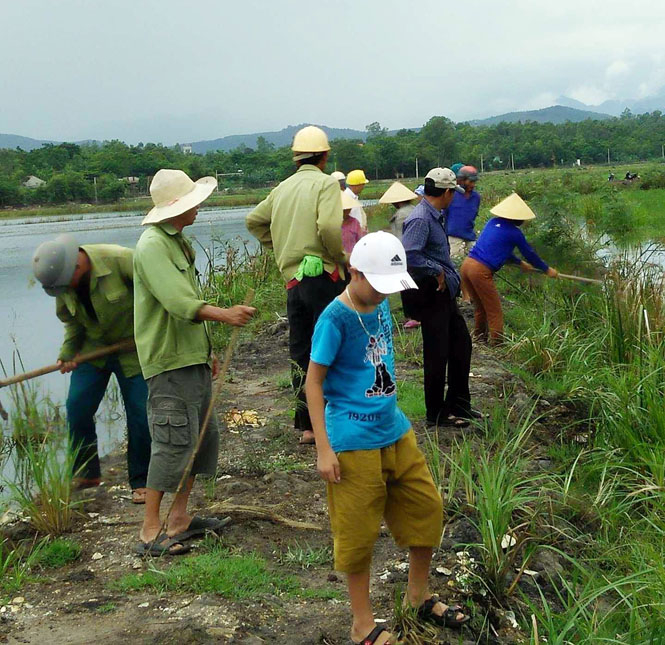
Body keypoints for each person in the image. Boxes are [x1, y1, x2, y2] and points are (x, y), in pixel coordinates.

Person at [306, 231, 470, 644]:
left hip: (394, 428)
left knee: (426, 508)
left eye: (389, 287)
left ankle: (418, 594)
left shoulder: (379, 306)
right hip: (352, 439)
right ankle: (362, 624)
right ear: (354, 272)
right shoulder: (334, 319)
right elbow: (313, 384)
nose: (384, 295)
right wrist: (324, 449)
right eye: (377, 285)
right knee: (358, 533)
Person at [134, 169, 256, 555]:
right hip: (168, 362)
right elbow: (178, 302)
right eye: (193, 202)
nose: (199, 208)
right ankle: (150, 530)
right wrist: (226, 314)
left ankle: (180, 518)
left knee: (199, 439)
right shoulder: (152, 245)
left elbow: (187, 297)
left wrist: (208, 352)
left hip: (191, 358)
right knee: (171, 442)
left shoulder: (177, 242)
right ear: (176, 208)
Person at [246, 126, 346, 445]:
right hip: (323, 275)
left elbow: (253, 221)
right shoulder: (326, 184)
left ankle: (306, 425)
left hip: (293, 279)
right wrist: (339, 256)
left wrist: (278, 247)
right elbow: (330, 226)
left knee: (301, 349)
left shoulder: (282, 189)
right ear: (325, 156)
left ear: (296, 158)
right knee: (330, 346)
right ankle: (329, 421)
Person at [32, 235, 152, 501]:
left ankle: (142, 480)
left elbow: (156, 295)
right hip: (94, 351)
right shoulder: (63, 283)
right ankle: (87, 474)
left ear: (77, 266)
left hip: (134, 349)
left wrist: (152, 334)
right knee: (77, 408)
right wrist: (67, 354)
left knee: (140, 414)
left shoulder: (121, 260)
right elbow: (73, 323)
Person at [401, 168, 480, 428]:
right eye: (452, 193)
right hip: (431, 294)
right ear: (446, 192)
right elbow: (409, 254)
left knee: (461, 345)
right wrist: (435, 271)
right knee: (437, 354)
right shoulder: (421, 218)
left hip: (444, 294)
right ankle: (436, 413)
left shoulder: (436, 215)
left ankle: (459, 404)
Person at [461, 192, 558, 344]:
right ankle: (497, 344)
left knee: (480, 307)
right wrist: (547, 269)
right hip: (480, 271)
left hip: (467, 266)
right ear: (517, 218)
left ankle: (479, 338)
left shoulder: (492, 223)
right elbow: (530, 253)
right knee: (495, 311)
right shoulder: (514, 233)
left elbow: (500, 251)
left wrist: (519, 263)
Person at [379, 181, 420, 329]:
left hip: (405, 254)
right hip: (415, 253)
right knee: (415, 284)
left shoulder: (402, 214)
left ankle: (413, 316)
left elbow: (401, 237)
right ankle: (416, 314)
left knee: (406, 285)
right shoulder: (414, 209)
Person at [447, 165, 481, 260]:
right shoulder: (451, 195)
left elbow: (473, 215)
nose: (473, 185)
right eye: (470, 182)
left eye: (474, 182)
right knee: (456, 260)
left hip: (469, 235)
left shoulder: (476, 197)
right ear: (461, 180)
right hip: (453, 236)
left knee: (477, 259)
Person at [341, 189, 365, 255]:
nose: (347, 211)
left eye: (349, 208)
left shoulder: (354, 223)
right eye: (344, 209)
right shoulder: (332, 223)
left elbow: (360, 241)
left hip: (353, 256)